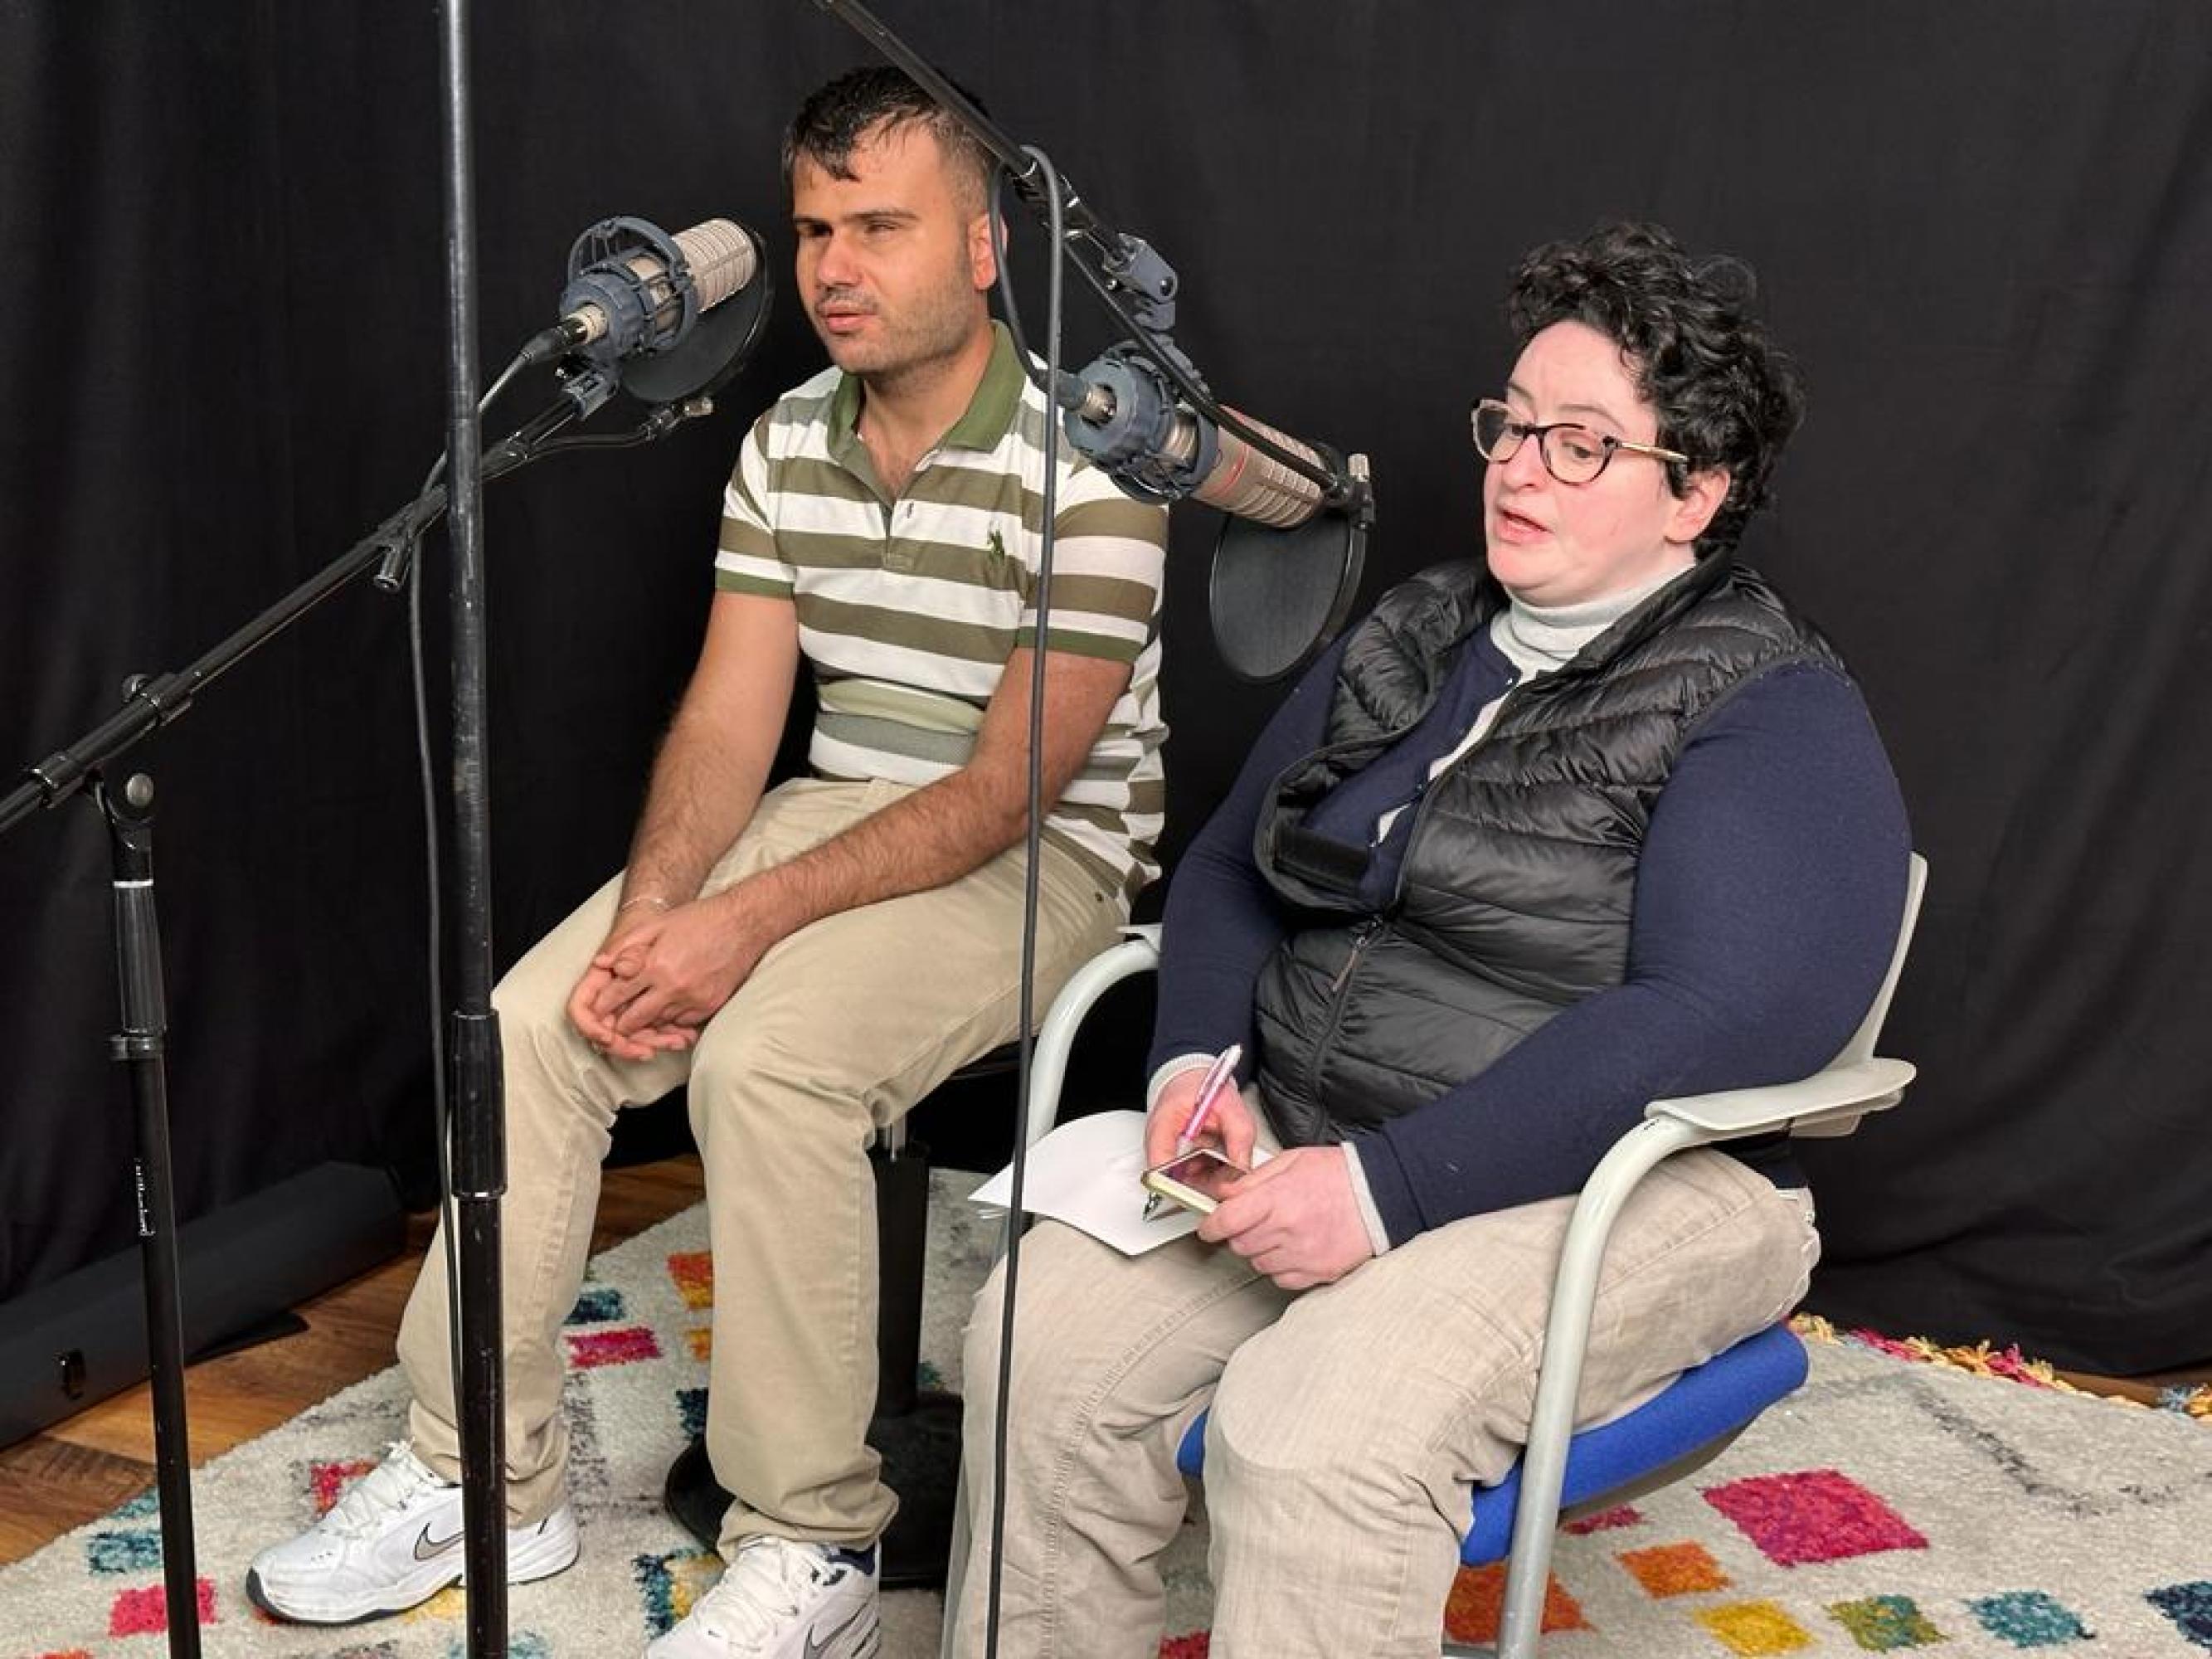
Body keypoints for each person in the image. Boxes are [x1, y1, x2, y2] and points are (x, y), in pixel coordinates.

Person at [246, 66, 1169, 1659]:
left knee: (768, 1065)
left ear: (982, 248)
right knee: (538, 1020)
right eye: (814, 230)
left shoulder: (1100, 459)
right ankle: (484, 1476)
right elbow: (732, 726)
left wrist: (737, 933)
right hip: (831, 807)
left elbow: (1001, 797)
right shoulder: (785, 441)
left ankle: (815, 1543)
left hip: (1048, 858)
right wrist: (662, 918)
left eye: (879, 227)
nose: (833, 267)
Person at [951, 221, 1911, 1658]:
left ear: (1696, 493)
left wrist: (1385, 1191)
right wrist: (1196, 1068)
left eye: (1581, 444)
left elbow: (1720, 1018)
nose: (1520, 467)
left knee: (1312, 1434)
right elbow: (1231, 864)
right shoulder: (1417, 631)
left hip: (1632, 1185)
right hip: (1321, 1134)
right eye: (1512, 424)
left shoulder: (1769, 705)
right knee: (1041, 1352)